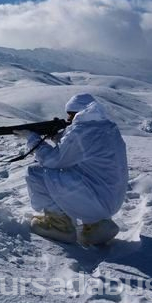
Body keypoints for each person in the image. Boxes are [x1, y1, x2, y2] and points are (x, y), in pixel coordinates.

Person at [18, 93, 128, 245]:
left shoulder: (82, 132)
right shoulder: (107, 127)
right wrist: (58, 138)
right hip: (110, 198)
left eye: (70, 115)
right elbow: (81, 151)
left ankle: (59, 226)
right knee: (66, 175)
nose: (68, 120)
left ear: (80, 112)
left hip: (97, 198)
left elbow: (52, 161)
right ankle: (97, 225)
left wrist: (32, 139)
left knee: (36, 172)